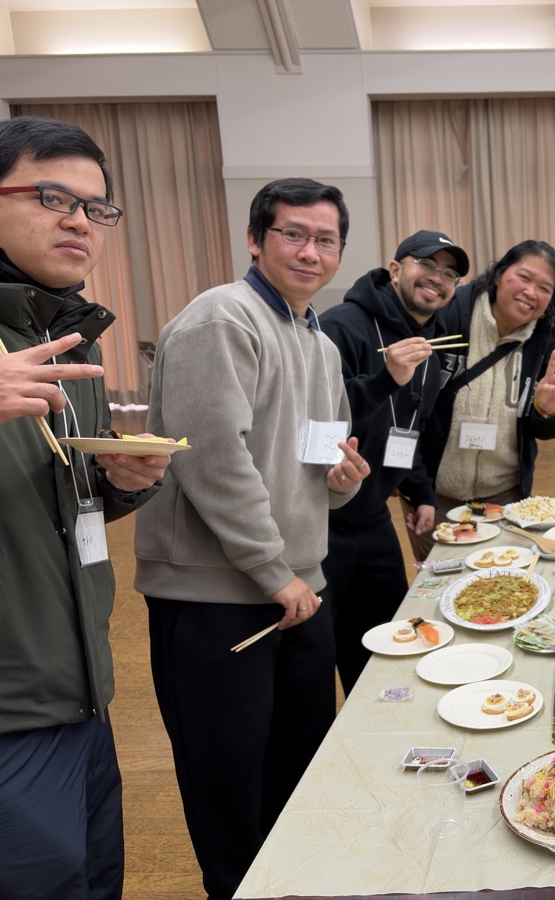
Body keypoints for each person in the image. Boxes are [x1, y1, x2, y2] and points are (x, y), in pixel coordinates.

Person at [134, 178, 371, 900]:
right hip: (220, 594)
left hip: (299, 588)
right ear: (254, 239)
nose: (310, 250)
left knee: (296, 764)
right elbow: (211, 455)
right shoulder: (221, 319)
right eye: (293, 234)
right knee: (228, 784)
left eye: (325, 239)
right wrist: (273, 571)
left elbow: (319, 455)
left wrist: (345, 479)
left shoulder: (318, 340)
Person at [0, 115, 170, 899]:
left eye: (96, 207)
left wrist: (122, 483)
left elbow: (67, 501)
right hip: (10, 708)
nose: (78, 220)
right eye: (50, 196)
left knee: (95, 879)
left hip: (84, 687)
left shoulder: (76, 341)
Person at [319, 229, 468, 693]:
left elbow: (410, 426)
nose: (438, 279)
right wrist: (386, 377)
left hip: (374, 517)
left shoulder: (432, 337)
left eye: (449, 274)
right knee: (318, 652)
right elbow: (321, 414)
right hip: (321, 521)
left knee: (385, 646)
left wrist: (419, 490)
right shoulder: (342, 326)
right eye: (427, 265)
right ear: (397, 269)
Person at [423, 239, 555, 517]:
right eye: (524, 277)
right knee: (439, 561)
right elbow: (410, 399)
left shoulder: (546, 341)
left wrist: (545, 409)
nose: (531, 292)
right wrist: (411, 482)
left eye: (544, 288)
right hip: (433, 493)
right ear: (499, 275)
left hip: (505, 495)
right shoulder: (451, 312)